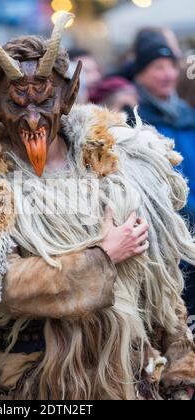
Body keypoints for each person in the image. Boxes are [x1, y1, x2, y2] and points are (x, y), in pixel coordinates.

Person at [0, 13, 194, 400]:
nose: (33, 120)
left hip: (126, 375)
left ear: (69, 95)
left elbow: (162, 276)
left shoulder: (120, 160)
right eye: (17, 103)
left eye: (44, 100)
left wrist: (180, 366)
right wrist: (102, 256)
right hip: (35, 384)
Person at [133, 37, 195, 322]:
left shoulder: (188, 117)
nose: (167, 73)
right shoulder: (133, 121)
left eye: (171, 65)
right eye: (158, 66)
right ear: (140, 74)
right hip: (166, 246)